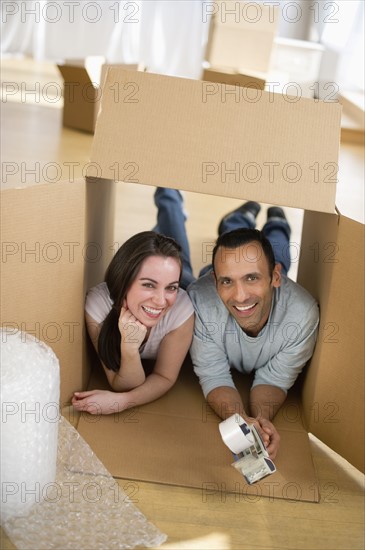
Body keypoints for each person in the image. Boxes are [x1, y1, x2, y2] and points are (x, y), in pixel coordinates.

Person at [153, 188, 319, 460]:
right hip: (207, 289)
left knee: (275, 253)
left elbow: (274, 379)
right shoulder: (199, 300)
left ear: (273, 279)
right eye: (227, 281)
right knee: (187, 262)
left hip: (275, 283)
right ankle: (231, 212)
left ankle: (277, 220)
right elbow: (214, 374)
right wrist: (240, 420)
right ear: (217, 280)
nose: (240, 296)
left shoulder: (302, 315)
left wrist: (261, 420)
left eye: (252, 278)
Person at [72, 231, 194, 415]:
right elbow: (121, 384)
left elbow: (164, 377)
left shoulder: (182, 310)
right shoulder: (98, 306)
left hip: (192, 285)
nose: (161, 301)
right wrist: (129, 347)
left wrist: (122, 402)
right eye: (148, 285)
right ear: (123, 280)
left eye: (171, 288)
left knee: (195, 276)